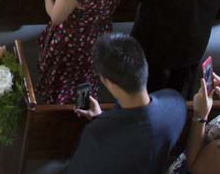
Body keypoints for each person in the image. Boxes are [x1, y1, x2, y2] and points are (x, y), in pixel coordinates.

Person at [63, 33, 187, 174]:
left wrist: (102, 122)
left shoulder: (97, 135)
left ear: (108, 82)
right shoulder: (176, 103)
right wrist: (102, 117)